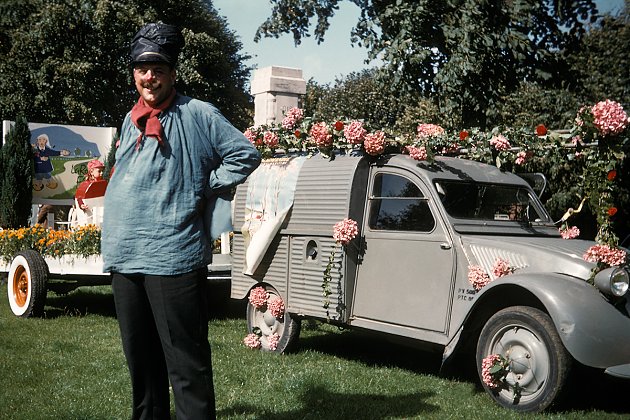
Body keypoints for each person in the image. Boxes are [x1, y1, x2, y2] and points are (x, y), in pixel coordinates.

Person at [101, 22, 260, 420]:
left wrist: (204, 186)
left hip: (172, 253)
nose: (149, 76)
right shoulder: (130, 118)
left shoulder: (198, 113)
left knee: (185, 365)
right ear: (133, 73)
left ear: (173, 72)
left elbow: (245, 154)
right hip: (124, 252)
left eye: (157, 68)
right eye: (142, 68)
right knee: (142, 364)